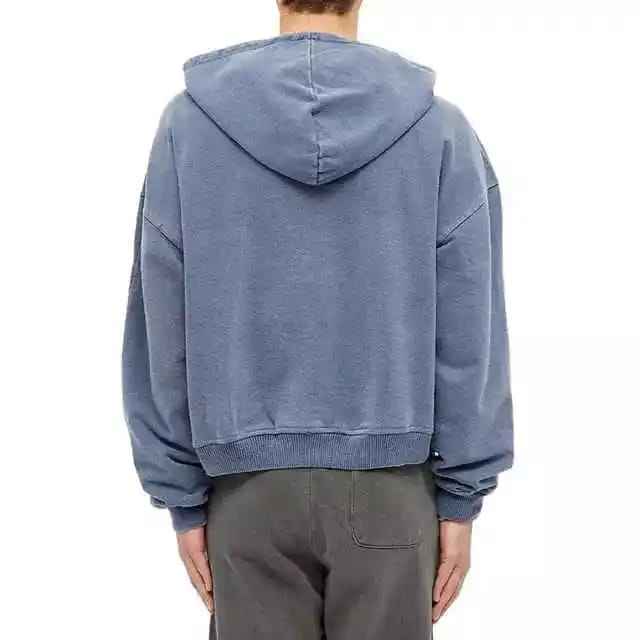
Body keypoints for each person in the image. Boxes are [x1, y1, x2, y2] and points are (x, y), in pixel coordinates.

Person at [122, 0, 514, 637]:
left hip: (244, 494)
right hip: (392, 491)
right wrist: (462, 497)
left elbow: (161, 325)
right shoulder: (441, 131)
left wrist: (180, 496)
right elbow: (471, 332)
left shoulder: (187, 129)